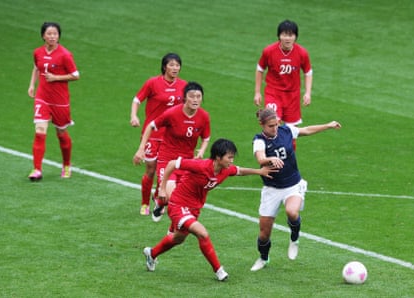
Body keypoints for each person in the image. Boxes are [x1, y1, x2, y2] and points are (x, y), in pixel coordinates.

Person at [142, 138, 277, 281]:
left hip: (194, 209)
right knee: (202, 233)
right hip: (178, 205)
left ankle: (152, 253)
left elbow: (240, 171)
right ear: (218, 157)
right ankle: (219, 270)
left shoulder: (225, 170)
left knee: (178, 238)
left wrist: (259, 171)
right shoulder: (200, 166)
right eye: (229, 157)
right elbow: (172, 164)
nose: (231, 160)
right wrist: (162, 189)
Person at [250, 108, 341, 271]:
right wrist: (270, 159)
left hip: (292, 184)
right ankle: (263, 258)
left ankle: (294, 237)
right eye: (271, 126)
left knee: (292, 212)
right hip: (272, 189)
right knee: (264, 234)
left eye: (276, 124)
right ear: (261, 125)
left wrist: (327, 125)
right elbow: (260, 158)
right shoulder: (259, 140)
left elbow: (306, 130)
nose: (275, 128)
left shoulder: (286, 130)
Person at [133, 81, 210, 222]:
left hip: (186, 161)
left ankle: (161, 204)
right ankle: (164, 209)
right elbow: (151, 126)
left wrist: (201, 151)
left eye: (198, 97)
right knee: (174, 196)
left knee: (178, 198)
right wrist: (141, 148)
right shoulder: (172, 113)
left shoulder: (204, 117)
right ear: (184, 98)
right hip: (167, 159)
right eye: (192, 96)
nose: (195, 100)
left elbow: (206, 137)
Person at [130, 53, 187, 215]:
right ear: (164, 67)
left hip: (171, 136)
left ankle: (158, 197)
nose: (175, 68)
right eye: (172, 65)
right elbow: (137, 100)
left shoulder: (184, 85)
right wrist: (134, 116)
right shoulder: (153, 83)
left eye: (177, 65)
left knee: (165, 169)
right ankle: (144, 203)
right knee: (150, 169)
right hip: (152, 133)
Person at [27, 22, 80, 181]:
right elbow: (37, 68)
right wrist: (32, 85)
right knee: (40, 130)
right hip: (42, 97)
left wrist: (56, 77)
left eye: (55, 34)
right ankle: (37, 169)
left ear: (58, 36)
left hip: (60, 101)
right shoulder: (38, 52)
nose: (52, 37)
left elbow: (76, 75)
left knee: (61, 133)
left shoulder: (65, 55)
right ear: (43, 35)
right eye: (49, 34)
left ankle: (66, 164)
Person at [253, 20, 312, 126]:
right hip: (273, 93)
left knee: (291, 132)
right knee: (273, 124)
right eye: (284, 35)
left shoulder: (302, 53)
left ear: (295, 37)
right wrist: (257, 92)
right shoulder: (269, 51)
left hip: (293, 96)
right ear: (279, 36)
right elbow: (260, 69)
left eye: (291, 35)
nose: (288, 38)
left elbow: (308, 72)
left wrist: (307, 93)